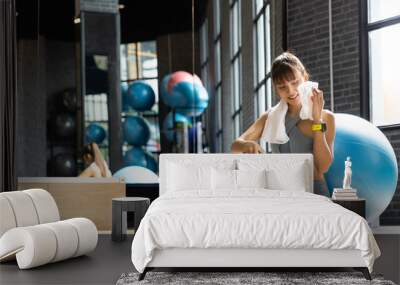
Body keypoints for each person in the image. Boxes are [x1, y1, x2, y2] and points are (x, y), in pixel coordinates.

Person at [231, 52, 335, 197]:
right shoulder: (271, 117)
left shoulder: (326, 117)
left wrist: (317, 121)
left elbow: (322, 166)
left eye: (294, 83)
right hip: (280, 193)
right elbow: (235, 146)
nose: (290, 91)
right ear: (276, 88)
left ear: (305, 77)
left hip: (313, 192)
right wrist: (247, 145)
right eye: (282, 87)